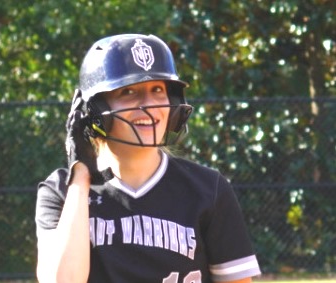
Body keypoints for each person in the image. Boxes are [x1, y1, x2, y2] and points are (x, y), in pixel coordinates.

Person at [35, 33, 261, 283]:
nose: (149, 104)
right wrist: (80, 176)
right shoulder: (61, 191)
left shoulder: (208, 189)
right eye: (129, 91)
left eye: (158, 90)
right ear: (95, 110)